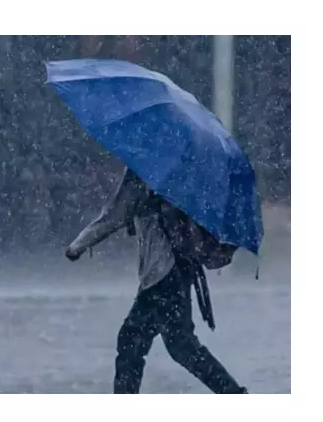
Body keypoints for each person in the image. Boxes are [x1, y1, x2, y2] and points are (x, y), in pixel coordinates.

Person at [64, 167, 247, 394]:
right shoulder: (179, 171)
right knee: (181, 346)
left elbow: (114, 215)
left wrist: (77, 246)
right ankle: (234, 394)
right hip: (180, 269)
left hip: (162, 273)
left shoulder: (143, 169)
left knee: (132, 340)